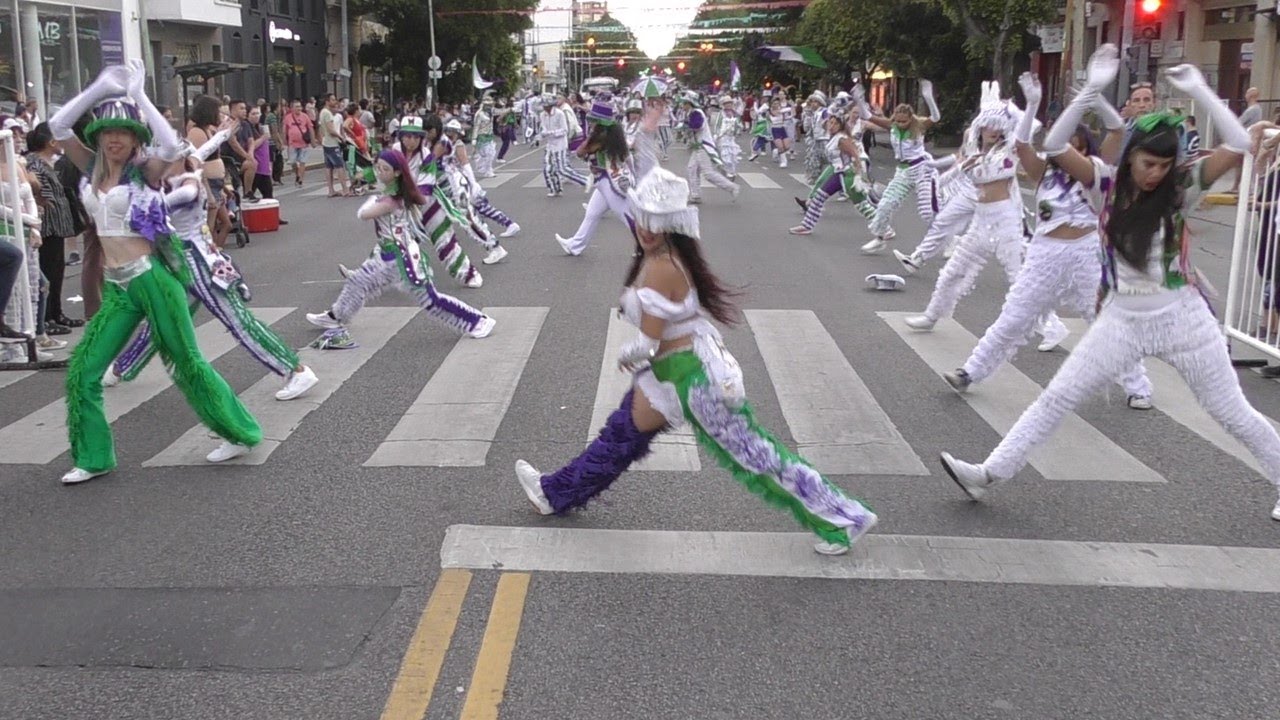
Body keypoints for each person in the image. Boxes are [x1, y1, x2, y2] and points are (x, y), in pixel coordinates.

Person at [939, 50, 1280, 523]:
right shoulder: (1105, 182)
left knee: (1231, 413)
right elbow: (1056, 145)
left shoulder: (1182, 187)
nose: (1154, 173)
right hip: (1121, 319)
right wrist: (1089, 90)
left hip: (1184, 319)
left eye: (1163, 164)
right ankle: (988, 473)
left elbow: (1240, 143)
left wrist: (1201, 90)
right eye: (1146, 162)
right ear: (1131, 155)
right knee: (1057, 396)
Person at [514, 160, 878, 556]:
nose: (647, 229)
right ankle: (554, 493)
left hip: (693, 380)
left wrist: (627, 353)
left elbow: (647, 342)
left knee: (757, 457)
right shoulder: (666, 256)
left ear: (672, 224)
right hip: (669, 374)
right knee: (619, 439)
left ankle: (844, 519)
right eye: (643, 219)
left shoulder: (661, 268)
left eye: (656, 222)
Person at [48, 61, 262, 484]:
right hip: (118, 289)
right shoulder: (90, 167)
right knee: (84, 372)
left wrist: (141, 94)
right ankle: (94, 457)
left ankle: (241, 433)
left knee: (188, 363)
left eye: (124, 133)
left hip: (153, 280)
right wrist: (99, 87)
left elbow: (171, 149)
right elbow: (57, 125)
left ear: (134, 139)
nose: (114, 140)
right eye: (109, 132)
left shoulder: (143, 172)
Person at [939, 68, 1153, 409]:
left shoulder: (1097, 169)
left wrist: (1094, 95)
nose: (1067, 151)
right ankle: (970, 371)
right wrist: (1033, 103)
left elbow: (1115, 128)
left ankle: (1138, 385)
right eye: (1063, 146)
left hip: (1084, 254)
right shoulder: (1042, 173)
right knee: (1013, 317)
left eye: (1075, 145)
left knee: (1102, 320)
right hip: (1045, 254)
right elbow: (1022, 144)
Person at [103, 119, 318, 401]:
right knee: (165, 318)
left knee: (239, 321)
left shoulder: (186, 183)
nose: (153, 163)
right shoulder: (181, 167)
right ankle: (121, 367)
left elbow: (183, 195)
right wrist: (221, 136)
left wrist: (142, 209)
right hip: (182, 263)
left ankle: (296, 370)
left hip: (201, 264)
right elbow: (201, 152)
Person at [305, 149, 495, 342]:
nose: (380, 172)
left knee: (430, 300)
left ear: (396, 172)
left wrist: (371, 200)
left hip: (402, 260)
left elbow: (363, 214)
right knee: (357, 282)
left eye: (384, 169)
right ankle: (335, 317)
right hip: (386, 255)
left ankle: (477, 321)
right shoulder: (394, 191)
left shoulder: (392, 198)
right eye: (378, 168)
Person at [856, 80, 941, 253]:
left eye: (904, 121)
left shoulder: (919, 126)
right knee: (885, 204)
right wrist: (859, 98)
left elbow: (936, 117)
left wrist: (928, 97)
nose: (901, 123)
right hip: (902, 171)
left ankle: (950, 240)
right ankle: (880, 238)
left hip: (922, 169)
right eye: (898, 120)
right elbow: (867, 116)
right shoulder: (892, 126)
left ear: (911, 118)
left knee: (928, 211)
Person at [555, 96, 636, 257]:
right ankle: (575, 245)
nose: (590, 121)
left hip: (609, 181)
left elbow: (580, 152)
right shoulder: (614, 133)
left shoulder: (600, 136)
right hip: (607, 179)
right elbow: (628, 157)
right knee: (592, 213)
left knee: (626, 214)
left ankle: (648, 246)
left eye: (593, 119)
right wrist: (633, 173)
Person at [25, 123, 83, 336]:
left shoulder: (47, 163)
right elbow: (38, 194)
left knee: (57, 271)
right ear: (51, 142)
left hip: (56, 227)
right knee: (48, 272)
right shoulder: (35, 165)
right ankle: (47, 317)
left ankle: (56, 313)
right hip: (47, 228)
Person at [319, 94, 352, 197]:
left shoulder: (322, 112)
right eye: (332, 100)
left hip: (326, 142)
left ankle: (331, 190)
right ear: (327, 101)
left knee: (329, 167)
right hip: (332, 143)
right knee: (339, 165)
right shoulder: (327, 113)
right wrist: (341, 137)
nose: (335, 101)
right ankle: (345, 189)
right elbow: (331, 130)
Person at [283, 99, 314, 186]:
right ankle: (297, 174)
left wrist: (313, 140)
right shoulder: (288, 117)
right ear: (292, 108)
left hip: (304, 143)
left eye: (300, 106)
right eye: (296, 107)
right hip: (292, 143)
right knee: (292, 162)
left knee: (302, 161)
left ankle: (300, 179)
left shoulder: (305, 116)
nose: (299, 108)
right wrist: (284, 140)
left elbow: (310, 128)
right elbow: (285, 129)